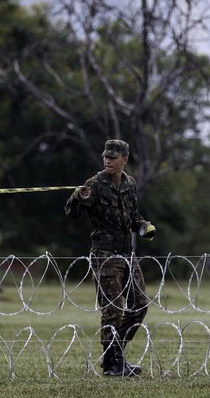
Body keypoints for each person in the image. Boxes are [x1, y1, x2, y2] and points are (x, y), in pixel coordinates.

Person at [64, 139, 156, 377]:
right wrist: (76, 196)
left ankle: (116, 355)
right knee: (113, 309)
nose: (107, 161)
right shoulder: (94, 184)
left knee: (139, 305)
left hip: (127, 253)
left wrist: (144, 226)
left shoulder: (130, 184)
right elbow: (71, 214)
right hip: (104, 255)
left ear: (124, 159)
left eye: (113, 158)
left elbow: (133, 216)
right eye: (105, 157)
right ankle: (113, 363)